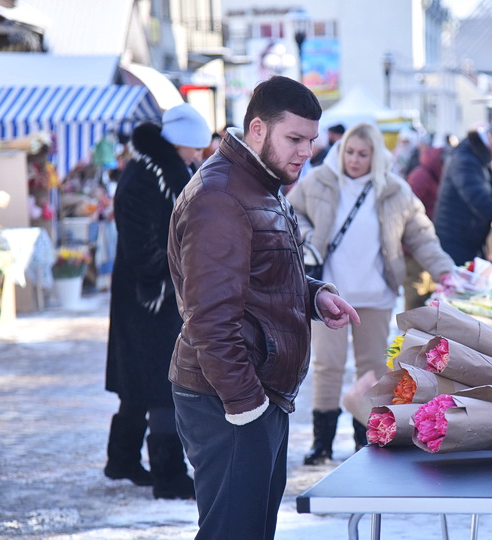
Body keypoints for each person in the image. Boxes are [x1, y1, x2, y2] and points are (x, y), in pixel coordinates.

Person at [167, 76, 360, 540]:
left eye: (311, 140)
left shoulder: (259, 182)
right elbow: (210, 320)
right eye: (294, 138)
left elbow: (260, 274)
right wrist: (247, 406)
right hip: (228, 396)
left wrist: (314, 295)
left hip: (253, 392)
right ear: (257, 129)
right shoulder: (222, 196)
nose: (305, 151)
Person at [287, 122, 455, 465]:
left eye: (363, 154)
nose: (355, 159)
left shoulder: (395, 190)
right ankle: (322, 443)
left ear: (376, 155)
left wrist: (446, 271)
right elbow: (290, 214)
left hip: (376, 294)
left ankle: (366, 436)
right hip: (327, 295)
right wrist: (306, 238)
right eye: (350, 151)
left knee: (373, 369)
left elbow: (422, 237)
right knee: (327, 366)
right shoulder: (318, 181)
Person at [104, 103, 210, 499]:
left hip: (147, 293)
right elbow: (145, 249)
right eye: (194, 148)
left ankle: (122, 458)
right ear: (180, 142)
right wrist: (180, 269)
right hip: (151, 296)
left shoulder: (156, 170)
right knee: (162, 382)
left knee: (140, 382)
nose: (198, 155)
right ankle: (168, 475)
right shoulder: (150, 175)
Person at [432, 115, 492, 266]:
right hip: (455, 241)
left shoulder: (487, 159)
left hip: (471, 239)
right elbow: (480, 201)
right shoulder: (465, 159)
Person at [403, 142, 446, 310]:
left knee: (426, 294)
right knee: (416, 296)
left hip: (426, 244)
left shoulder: (434, 175)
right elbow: (407, 210)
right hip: (413, 248)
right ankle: (409, 335)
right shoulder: (422, 176)